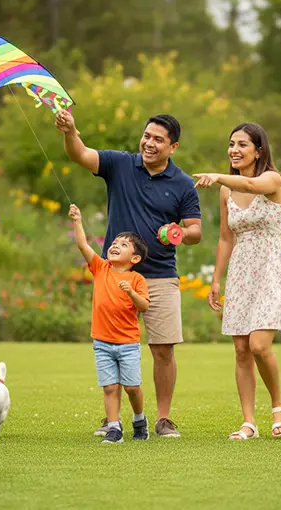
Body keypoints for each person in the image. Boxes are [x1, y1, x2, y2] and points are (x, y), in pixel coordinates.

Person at [56, 110, 202, 438]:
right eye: (147, 136)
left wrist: (177, 232)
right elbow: (80, 154)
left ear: (173, 147)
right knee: (112, 345)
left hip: (160, 275)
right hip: (115, 276)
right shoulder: (119, 164)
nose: (149, 143)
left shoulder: (182, 184)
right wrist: (70, 132)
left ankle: (163, 418)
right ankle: (113, 419)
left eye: (158, 140)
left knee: (163, 349)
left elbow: (195, 231)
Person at [192, 122, 281, 440]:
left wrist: (217, 176)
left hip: (272, 267)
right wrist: (216, 280)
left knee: (259, 345)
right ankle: (248, 422)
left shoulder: (272, 180)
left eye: (242, 144)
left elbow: (251, 185)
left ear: (259, 150)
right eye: (231, 144)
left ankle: (279, 405)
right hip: (242, 270)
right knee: (241, 349)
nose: (234, 150)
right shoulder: (227, 191)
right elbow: (226, 238)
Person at [68, 203, 151, 443]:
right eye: (114, 242)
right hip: (102, 343)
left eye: (123, 245)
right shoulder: (101, 268)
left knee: (132, 387)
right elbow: (83, 245)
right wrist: (77, 221)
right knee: (110, 387)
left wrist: (131, 293)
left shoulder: (137, 279)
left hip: (128, 344)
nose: (115, 245)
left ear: (135, 258)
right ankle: (114, 428)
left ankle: (139, 419)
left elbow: (144, 306)